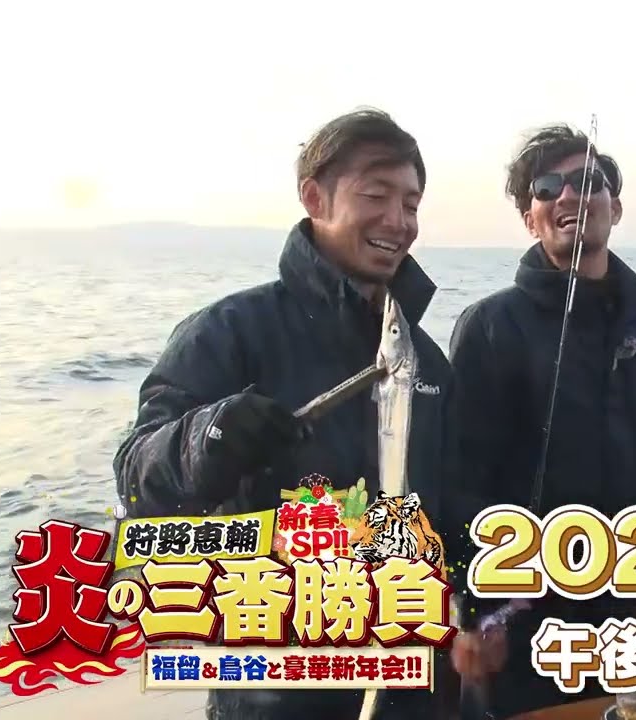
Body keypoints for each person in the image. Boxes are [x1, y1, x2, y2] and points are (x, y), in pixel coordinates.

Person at [113, 108, 459, 720]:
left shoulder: (424, 359)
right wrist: (206, 436)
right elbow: (135, 478)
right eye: (375, 196)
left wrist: (472, 615)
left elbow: (454, 505)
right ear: (313, 197)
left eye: (411, 204)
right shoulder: (231, 331)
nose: (398, 221)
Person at [444, 124, 636, 718]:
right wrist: (474, 611)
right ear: (530, 219)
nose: (569, 195)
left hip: (629, 595)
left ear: (616, 207)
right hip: (524, 613)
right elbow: (458, 484)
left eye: (588, 181)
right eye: (547, 187)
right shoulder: (488, 326)